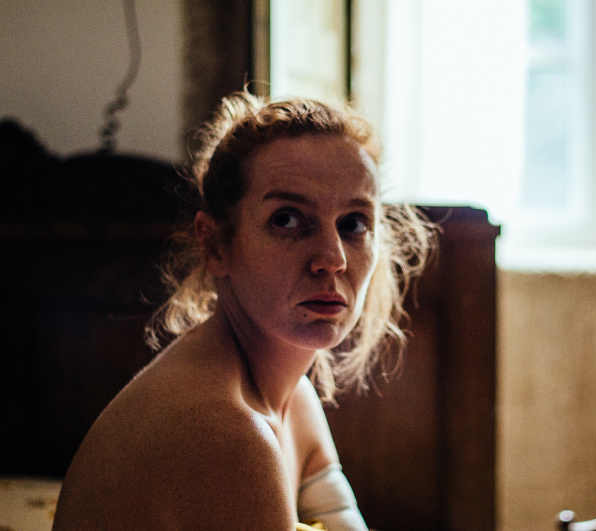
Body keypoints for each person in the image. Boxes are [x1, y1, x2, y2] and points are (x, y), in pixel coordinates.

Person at [53, 91, 433, 530]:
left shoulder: (294, 402)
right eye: (287, 219)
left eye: (353, 224)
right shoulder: (224, 434)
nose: (333, 259)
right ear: (215, 245)